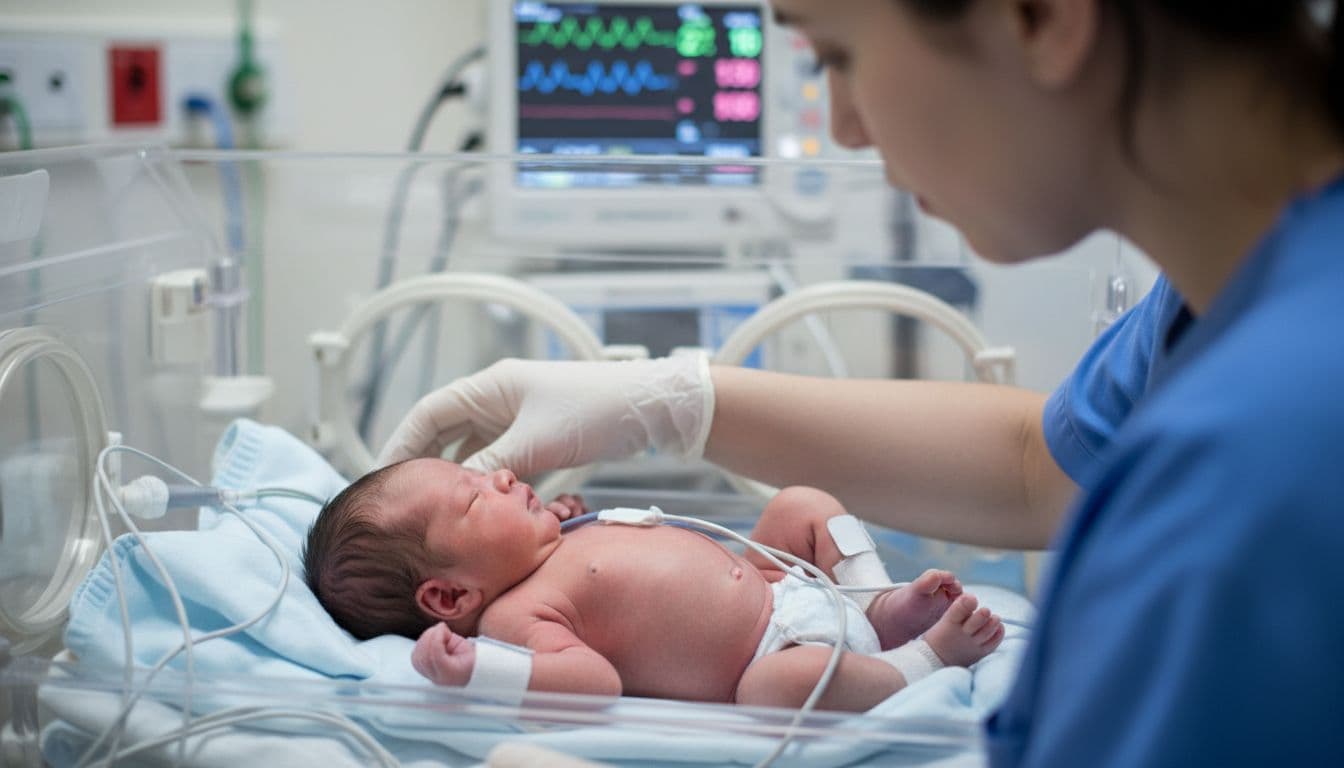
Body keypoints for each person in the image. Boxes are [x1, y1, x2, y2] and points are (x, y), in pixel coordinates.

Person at [377, 1, 1344, 764]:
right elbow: (1042, 466)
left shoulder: (1263, 458)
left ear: (1040, 16)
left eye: (837, 56)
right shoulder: (1229, 307)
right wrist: (676, 398)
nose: (841, 129)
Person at [303, 458, 1004, 711]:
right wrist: (478, 672)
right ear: (450, 598)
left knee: (801, 505)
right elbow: (593, 684)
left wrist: (562, 518)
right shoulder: (515, 618)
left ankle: (876, 602)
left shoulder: (550, 542)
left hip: (780, 580)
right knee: (775, 693)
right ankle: (922, 661)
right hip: (771, 655)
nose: (502, 476)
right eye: (474, 497)